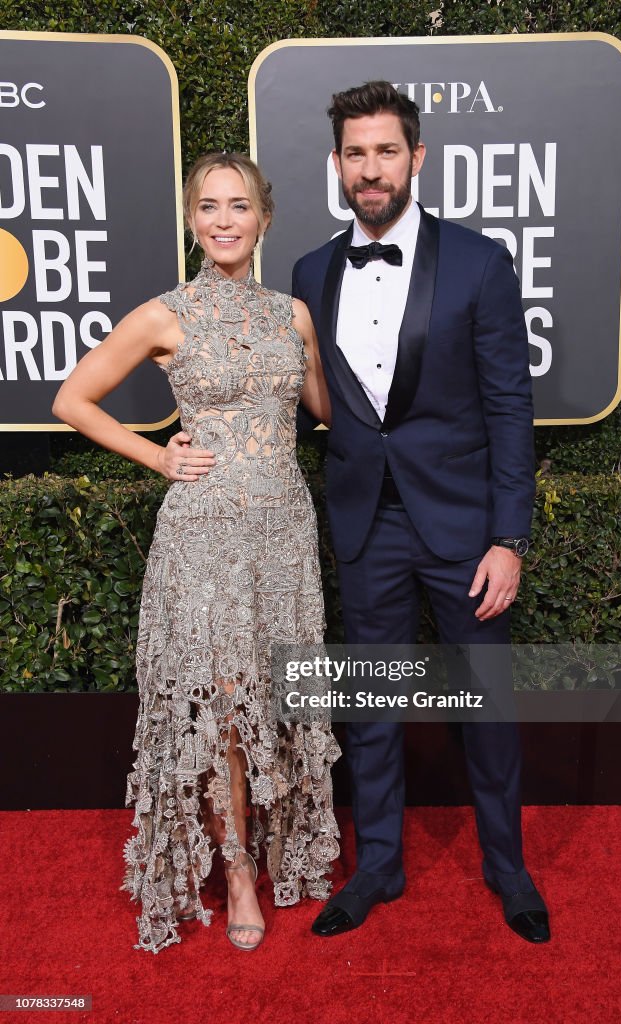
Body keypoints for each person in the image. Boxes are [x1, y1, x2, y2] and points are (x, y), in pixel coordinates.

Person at [52, 152, 340, 954]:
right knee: (223, 705)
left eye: (237, 205)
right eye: (208, 206)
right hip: (205, 536)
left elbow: (328, 409)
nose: (222, 219)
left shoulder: (292, 316)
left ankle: (283, 833)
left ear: (264, 218)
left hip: (283, 533)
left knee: (279, 692)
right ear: (191, 219)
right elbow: (72, 398)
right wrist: (157, 456)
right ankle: (239, 866)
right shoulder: (163, 316)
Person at [292, 82, 550, 943]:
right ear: (337, 165)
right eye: (355, 154)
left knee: (486, 706)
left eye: (386, 151)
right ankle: (376, 867)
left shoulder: (479, 262)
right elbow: (309, 402)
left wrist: (508, 537)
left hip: (465, 530)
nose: (371, 169)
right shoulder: (310, 271)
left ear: (417, 158)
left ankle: (508, 870)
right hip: (367, 527)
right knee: (371, 705)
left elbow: (510, 408)